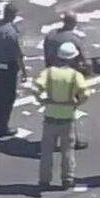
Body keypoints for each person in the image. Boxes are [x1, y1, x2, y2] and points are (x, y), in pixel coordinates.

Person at [35, 41, 90, 190]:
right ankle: (67, 178)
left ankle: (44, 180)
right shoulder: (75, 75)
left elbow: (36, 87)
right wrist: (76, 103)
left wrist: (42, 100)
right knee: (67, 150)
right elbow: (85, 94)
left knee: (47, 150)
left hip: (50, 117)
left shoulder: (49, 72)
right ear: (72, 58)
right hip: (67, 118)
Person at [43, 11, 90, 150]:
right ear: (73, 23)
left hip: (51, 76)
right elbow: (85, 61)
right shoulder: (73, 39)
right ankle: (72, 140)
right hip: (68, 78)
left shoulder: (50, 35)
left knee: (53, 108)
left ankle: (52, 140)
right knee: (69, 110)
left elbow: (45, 54)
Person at [0, 3, 25, 138]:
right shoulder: (12, 33)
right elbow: (17, 54)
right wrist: (23, 71)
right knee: (7, 97)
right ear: (13, 15)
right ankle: (2, 127)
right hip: (8, 68)